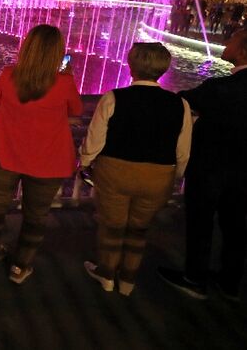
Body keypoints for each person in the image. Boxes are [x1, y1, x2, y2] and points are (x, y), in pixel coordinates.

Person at [79, 42, 192, 296]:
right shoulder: (179, 104)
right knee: (139, 228)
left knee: (113, 226)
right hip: (157, 176)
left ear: (132, 66)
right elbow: (183, 149)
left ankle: (107, 274)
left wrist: (85, 162)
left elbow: (95, 139)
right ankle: (128, 280)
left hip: (116, 172)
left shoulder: (114, 97)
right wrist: (176, 175)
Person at [0, 24, 82, 284]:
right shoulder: (64, 83)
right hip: (48, 160)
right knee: (36, 214)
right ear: (56, 53)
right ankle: (21, 265)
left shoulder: (7, 75)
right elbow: (76, 111)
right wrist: (68, 77)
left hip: (7, 151)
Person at [159, 29, 247, 301]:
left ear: (243, 51)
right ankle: (230, 282)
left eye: (232, 39)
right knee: (236, 224)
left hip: (209, 168)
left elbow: (179, 102)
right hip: (244, 172)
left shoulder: (219, 88)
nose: (226, 42)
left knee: (200, 222)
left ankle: (194, 278)